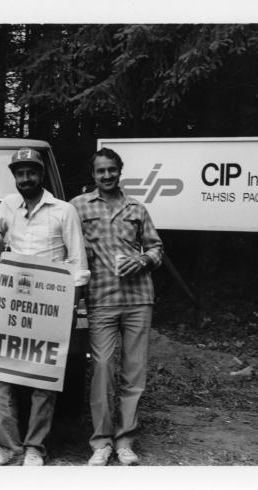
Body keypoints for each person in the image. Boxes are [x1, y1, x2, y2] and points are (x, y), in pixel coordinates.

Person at [0, 148, 89, 466]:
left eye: (31, 172)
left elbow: (78, 262)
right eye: (20, 173)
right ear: (14, 176)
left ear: (42, 174)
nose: (26, 178)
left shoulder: (63, 210)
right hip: (14, 302)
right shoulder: (8, 205)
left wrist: (71, 309)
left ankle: (35, 447)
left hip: (51, 305)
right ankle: (7, 447)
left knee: (42, 381)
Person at [70, 147, 164, 466]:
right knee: (102, 370)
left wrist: (142, 260)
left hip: (138, 299)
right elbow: (64, 243)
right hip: (101, 299)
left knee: (134, 372)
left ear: (120, 171)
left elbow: (156, 248)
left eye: (112, 169)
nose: (107, 175)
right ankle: (101, 442)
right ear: (93, 175)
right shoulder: (78, 207)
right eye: (101, 171)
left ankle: (125, 441)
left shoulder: (136, 208)